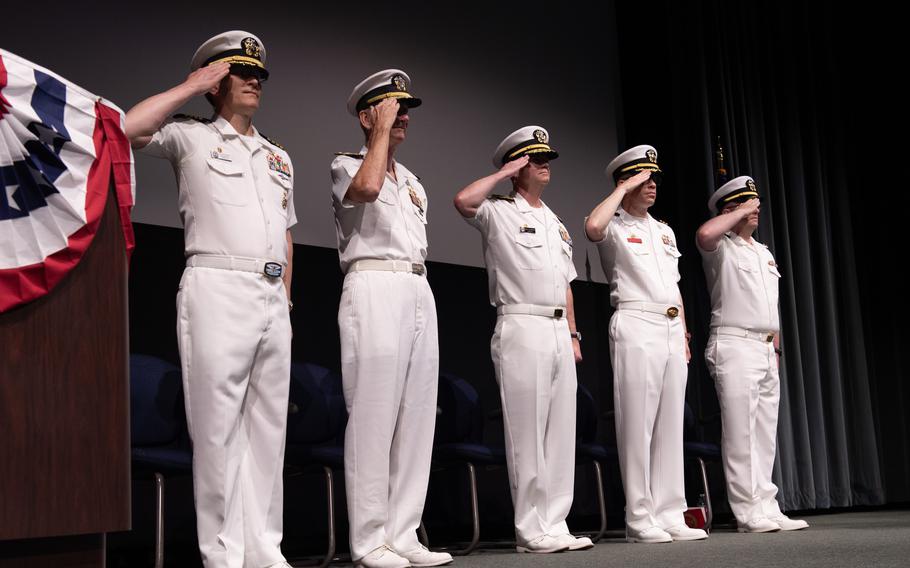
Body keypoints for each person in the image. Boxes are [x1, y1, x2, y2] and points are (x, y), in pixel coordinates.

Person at [125, 31, 295, 568]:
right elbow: (129, 129)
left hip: (271, 294)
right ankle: (221, 555)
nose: (253, 80)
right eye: (240, 72)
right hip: (217, 285)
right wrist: (188, 85)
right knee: (217, 428)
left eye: (258, 74)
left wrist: (286, 297)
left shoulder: (278, 156)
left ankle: (264, 549)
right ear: (214, 84)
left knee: (268, 430)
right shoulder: (190, 136)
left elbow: (286, 231)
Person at [330, 69, 453, 568]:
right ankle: (368, 539)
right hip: (373, 284)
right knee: (374, 416)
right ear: (366, 115)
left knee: (417, 415)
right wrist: (379, 133)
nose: (403, 116)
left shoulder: (415, 181)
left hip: (417, 286)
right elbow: (366, 189)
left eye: (405, 109)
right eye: (391, 107)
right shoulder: (346, 163)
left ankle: (403, 533)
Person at [453, 126, 592, 554]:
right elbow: (463, 201)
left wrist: (572, 332)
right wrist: (500, 174)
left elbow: (567, 282)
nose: (544, 164)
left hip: (556, 330)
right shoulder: (499, 211)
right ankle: (531, 528)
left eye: (546, 157)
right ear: (516, 168)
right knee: (527, 430)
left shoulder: (554, 221)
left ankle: (556, 521)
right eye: (534, 159)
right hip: (521, 325)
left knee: (559, 431)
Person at [584, 145, 707, 543]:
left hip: (670, 327)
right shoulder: (613, 224)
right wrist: (622, 190)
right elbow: (592, 229)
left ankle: (670, 511)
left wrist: (684, 333)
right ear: (626, 182)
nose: (652, 185)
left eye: (654, 178)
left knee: (670, 423)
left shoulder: (664, 229)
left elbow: (675, 286)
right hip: (635, 323)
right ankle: (639, 515)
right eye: (643, 179)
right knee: (638, 423)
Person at [696, 175, 809, 533]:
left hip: (763, 347)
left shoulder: (763, 252)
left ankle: (767, 504)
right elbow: (704, 234)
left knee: (764, 432)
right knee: (740, 431)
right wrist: (737, 212)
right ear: (731, 209)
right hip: (733, 344)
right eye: (747, 204)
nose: (755, 209)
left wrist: (775, 346)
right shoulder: (722, 247)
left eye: (755, 203)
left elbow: (768, 305)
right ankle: (747, 511)